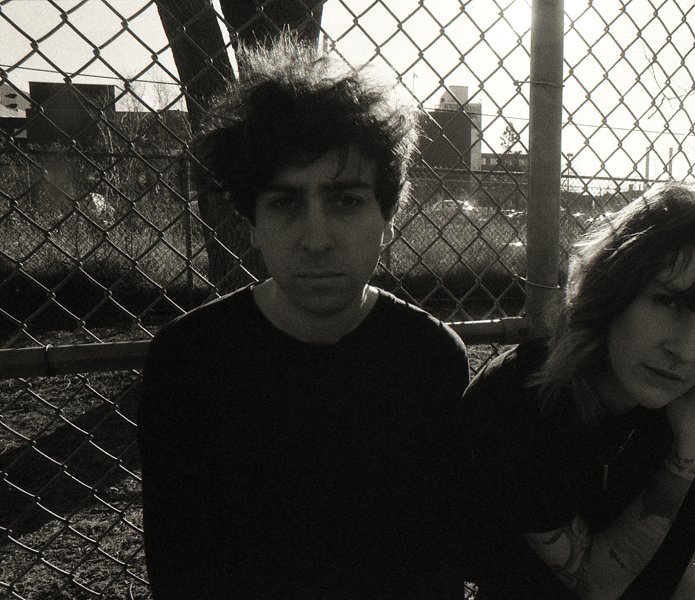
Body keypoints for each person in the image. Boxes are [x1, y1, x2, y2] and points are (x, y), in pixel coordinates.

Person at [137, 36, 470, 600]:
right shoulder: (189, 363)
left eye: (346, 201)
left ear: (388, 215)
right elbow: (180, 570)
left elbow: (435, 566)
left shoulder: (430, 358)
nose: (317, 239)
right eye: (285, 202)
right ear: (251, 222)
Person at [461, 182, 695, 599]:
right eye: (668, 302)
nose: (685, 351)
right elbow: (596, 585)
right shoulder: (519, 401)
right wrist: (683, 461)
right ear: (613, 288)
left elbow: (672, 572)